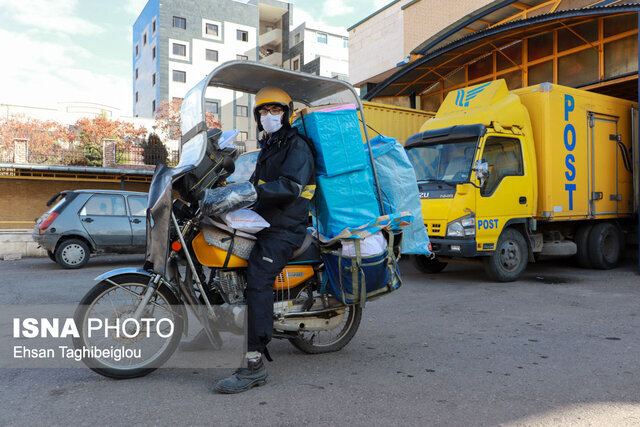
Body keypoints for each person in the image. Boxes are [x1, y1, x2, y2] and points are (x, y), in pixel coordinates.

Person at [182, 87, 316, 394]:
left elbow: (291, 185)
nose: (269, 116)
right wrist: (226, 192)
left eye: (276, 111)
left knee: (257, 275)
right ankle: (213, 327)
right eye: (263, 112)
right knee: (214, 251)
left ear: (288, 112)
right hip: (265, 220)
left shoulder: (297, 145)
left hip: (285, 227)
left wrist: (250, 194)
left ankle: (254, 363)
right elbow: (256, 185)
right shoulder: (269, 146)